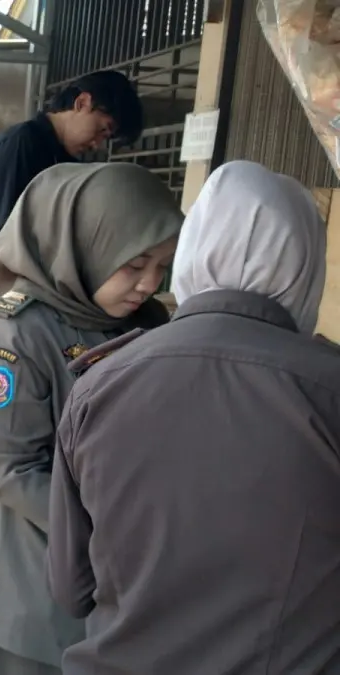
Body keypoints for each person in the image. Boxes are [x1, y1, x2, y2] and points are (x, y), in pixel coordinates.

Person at [48, 161, 340, 674]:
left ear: (192, 251)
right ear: (306, 265)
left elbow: (72, 590)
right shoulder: (328, 388)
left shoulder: (98, 385)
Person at [0, 162, 183, 675]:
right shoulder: (17, 331)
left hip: (123, 574)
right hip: (35, 583)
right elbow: (12, 471)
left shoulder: (146, 321)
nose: (148, 283)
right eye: (134, 265)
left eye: (162, 266)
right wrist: (120, 528)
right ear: (84, 245)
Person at [0, 70, 143, 320]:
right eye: (102, 129)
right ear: (82, 103)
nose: (97, 144)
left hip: (32, 301)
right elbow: (0, 233)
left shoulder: (65, 160)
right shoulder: (21, 143)